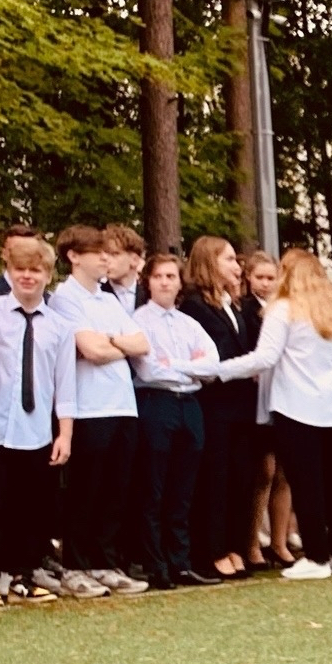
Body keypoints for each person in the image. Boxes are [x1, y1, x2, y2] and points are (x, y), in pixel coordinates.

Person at [213, 250, 332, 579]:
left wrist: (218, 370)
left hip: (298, 407)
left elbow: (264, 357)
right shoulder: (328, 310)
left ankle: (317, 557)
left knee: (306, 483)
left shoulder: (282, 308)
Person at [48, 223, 148, 598]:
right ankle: (76, 565)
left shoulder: (108, 300)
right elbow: (89, 350)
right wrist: (116, 345)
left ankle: (104, 562)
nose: (107, 259)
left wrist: (109, 342)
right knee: (85, 490)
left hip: (123, 405)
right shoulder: (65, 298)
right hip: (89, 407)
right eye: (99, 253)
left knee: (114, 489)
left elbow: (142, 343)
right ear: (74, 256)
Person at [129, 250, 224, 589]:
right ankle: (156, 565)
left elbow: (212, 365)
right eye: (158, 277)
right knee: (154, 486)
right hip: (157, 404)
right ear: (148, 282)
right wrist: (191, 367)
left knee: (183, 489)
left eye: (171, 276)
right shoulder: (138, 321)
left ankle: (180, 563)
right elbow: (150, 369)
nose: (165, 283)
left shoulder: (189, 324)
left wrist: (178, 365)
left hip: (190, 406)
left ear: (180, 282)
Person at [0, 231, 75, 600]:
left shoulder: (59, 326)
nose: (27, 276)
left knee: (31, 506)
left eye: (35, 270)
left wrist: (65, 434)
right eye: (20, 269)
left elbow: (65, 385)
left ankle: (23, 574)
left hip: (37, 429)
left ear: (47, 275)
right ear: (9, 271)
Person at [181, 234, 262, 579]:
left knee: (241, 477)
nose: (236, 265)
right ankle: (211, 550)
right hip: (214, 404)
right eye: (228, 259)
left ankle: (234, 546)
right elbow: (210, 356)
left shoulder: (234, 305)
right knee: (216, 478)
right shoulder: (194, 307)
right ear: (209, 263)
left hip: (241, 404)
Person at [242, 248, 295, 570]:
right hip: (256, 398)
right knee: (264, 471)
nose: (265, 283)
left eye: (270, 277)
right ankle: (252, 543)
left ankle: (280, 541)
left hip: (285, 395)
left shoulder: (286, 309)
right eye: (259, 277)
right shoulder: (246, 310)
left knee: (285, 472)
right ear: (249, 278)